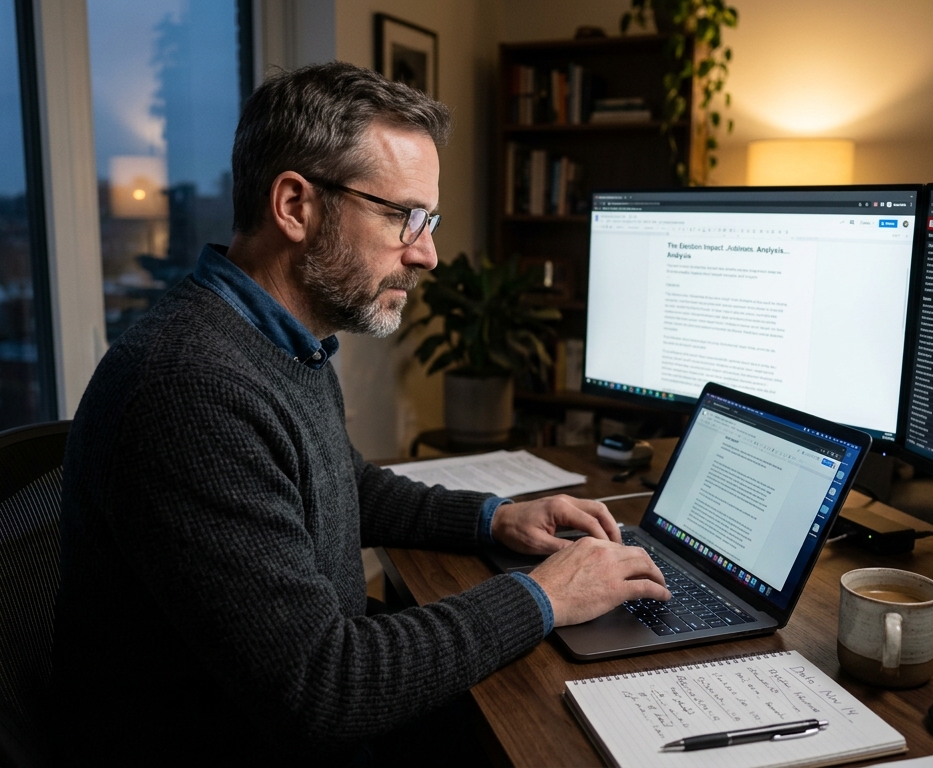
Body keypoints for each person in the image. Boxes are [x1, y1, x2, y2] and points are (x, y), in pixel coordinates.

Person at [50, 61, 670, 765]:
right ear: (295, 206)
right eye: (404, 216)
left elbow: (346, 484)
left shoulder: (275, 340)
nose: (429, 253)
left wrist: (494, 518)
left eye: (429, 219)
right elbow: (327, 687)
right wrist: (545, 596)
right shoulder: (190, 387)